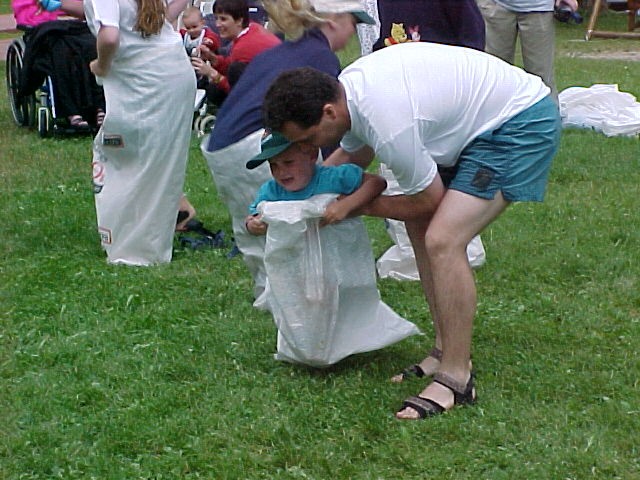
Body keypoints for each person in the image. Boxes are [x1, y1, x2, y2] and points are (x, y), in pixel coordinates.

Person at [262, 42, 561, 419]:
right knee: (420, 228)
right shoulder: (348, 97)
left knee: (443, 238)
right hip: (475, 126)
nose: (308, 149)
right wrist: (299, 204)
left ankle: (457, 378)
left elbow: (428, 201)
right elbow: (352, 157)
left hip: (519, 122)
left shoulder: (386, 121)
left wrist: (357, 206)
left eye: (307, 139)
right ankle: (444, 349)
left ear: (328, 113)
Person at [200, 0, 375, 303]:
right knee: (293, 223)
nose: (353, 32)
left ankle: (270, 294)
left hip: (221, 147)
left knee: (257, 229)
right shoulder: (320, 57)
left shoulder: (281, 51)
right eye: (353, 22)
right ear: (333, 19)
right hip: (257, 142)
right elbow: (326, 125)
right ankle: (301, 298)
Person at [84, 0, 196, 266]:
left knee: (123, 157)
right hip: (174, 71)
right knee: (159, 163)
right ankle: (160, 227)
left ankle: (139, 247)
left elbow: (109, 37)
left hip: (142, 81)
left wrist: (101, 65)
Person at [244, 132, 386, 235]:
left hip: (341, 253)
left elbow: (376, 182)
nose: (281, 172)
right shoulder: (271, 192)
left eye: (288, 162)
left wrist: (347, 204)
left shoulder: (334, 177)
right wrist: (253, 226)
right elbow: (253, 217)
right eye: (273, 165)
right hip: (297, 259)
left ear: (312, 155)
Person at [14, 0, 105, 130]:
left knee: (91, 45)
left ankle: (99, 106)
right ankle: (71, 110)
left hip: (75, 27)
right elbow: (28, 16)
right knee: (60, 49)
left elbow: (88, 9)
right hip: (47, 30)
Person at [476, 0, 579, 100]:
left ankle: (546, 111)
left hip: (539, 8)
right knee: (495, 77)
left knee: (541, 80)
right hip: (495, 6)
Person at [190, 0, 281, 104]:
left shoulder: (243, 47)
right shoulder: (253, 27)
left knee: (214, 91)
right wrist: (212, 58)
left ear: (239, 21)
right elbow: (231, 63)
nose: (217, 24)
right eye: (216, 18)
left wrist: (212, 73)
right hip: (274, 83)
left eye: (223, 19)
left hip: (270, 95)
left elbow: (238, 91)